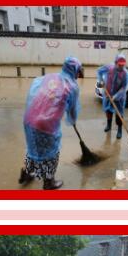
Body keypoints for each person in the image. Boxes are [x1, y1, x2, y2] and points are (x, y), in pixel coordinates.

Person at [19, 56, 83, 190]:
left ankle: (27, 173)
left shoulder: (47, 77)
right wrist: (72, 119)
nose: (79, 74)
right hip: (45, 126)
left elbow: (34, 93)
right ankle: (49, 182)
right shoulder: (72, 86)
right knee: (51, 153)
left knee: (33, 149)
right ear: (75, 70)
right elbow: (72, 111)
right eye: (78, 71)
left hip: (29, 120)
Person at [96, 53, 128, 139]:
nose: (121, 67)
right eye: (119, 65)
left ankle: (119, 130)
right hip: (108, 94)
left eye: (123, 65)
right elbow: (99, 71)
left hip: (119, 97)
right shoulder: (109, 68)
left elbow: (123, 87)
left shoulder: (125, 74)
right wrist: (101, 80)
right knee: (108, 111)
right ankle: (109, 125)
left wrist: (115, 97)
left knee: (119, 114)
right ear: (115, 63)